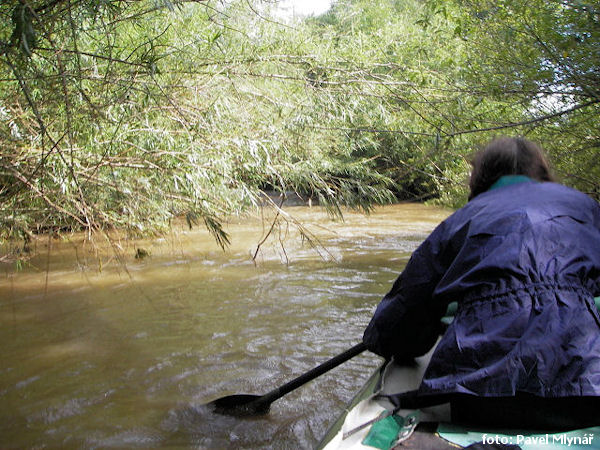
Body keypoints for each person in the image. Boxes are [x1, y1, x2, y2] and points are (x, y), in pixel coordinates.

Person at [363, 136, 600, 429]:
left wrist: (390, 341)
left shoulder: (462, 219)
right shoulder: (587, 209)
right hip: (586, 385)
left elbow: (405, 312)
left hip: (481, 394)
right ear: (541, 171)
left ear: (481, 176)